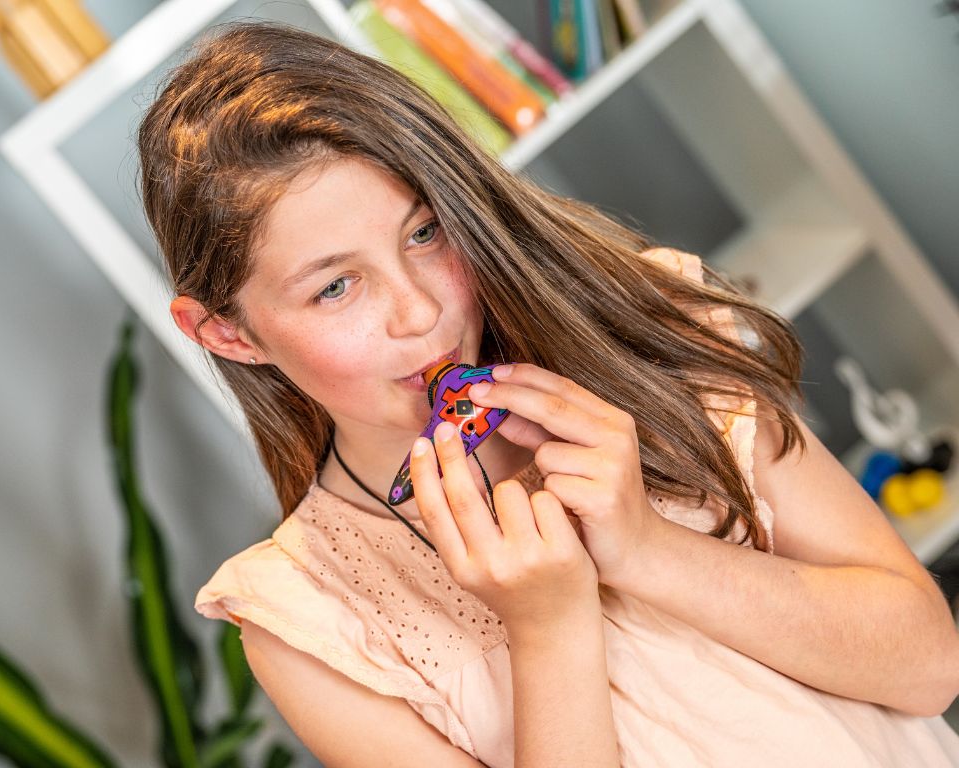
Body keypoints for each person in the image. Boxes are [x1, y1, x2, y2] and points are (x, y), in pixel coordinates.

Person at [136, 19, 959, 768]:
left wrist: (647, 548)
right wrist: (550, 629)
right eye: (335, 289)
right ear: (228, 334)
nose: (420, 312)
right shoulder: (305, 624)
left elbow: (929, 668)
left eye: (425, 233)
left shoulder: (645, 332)